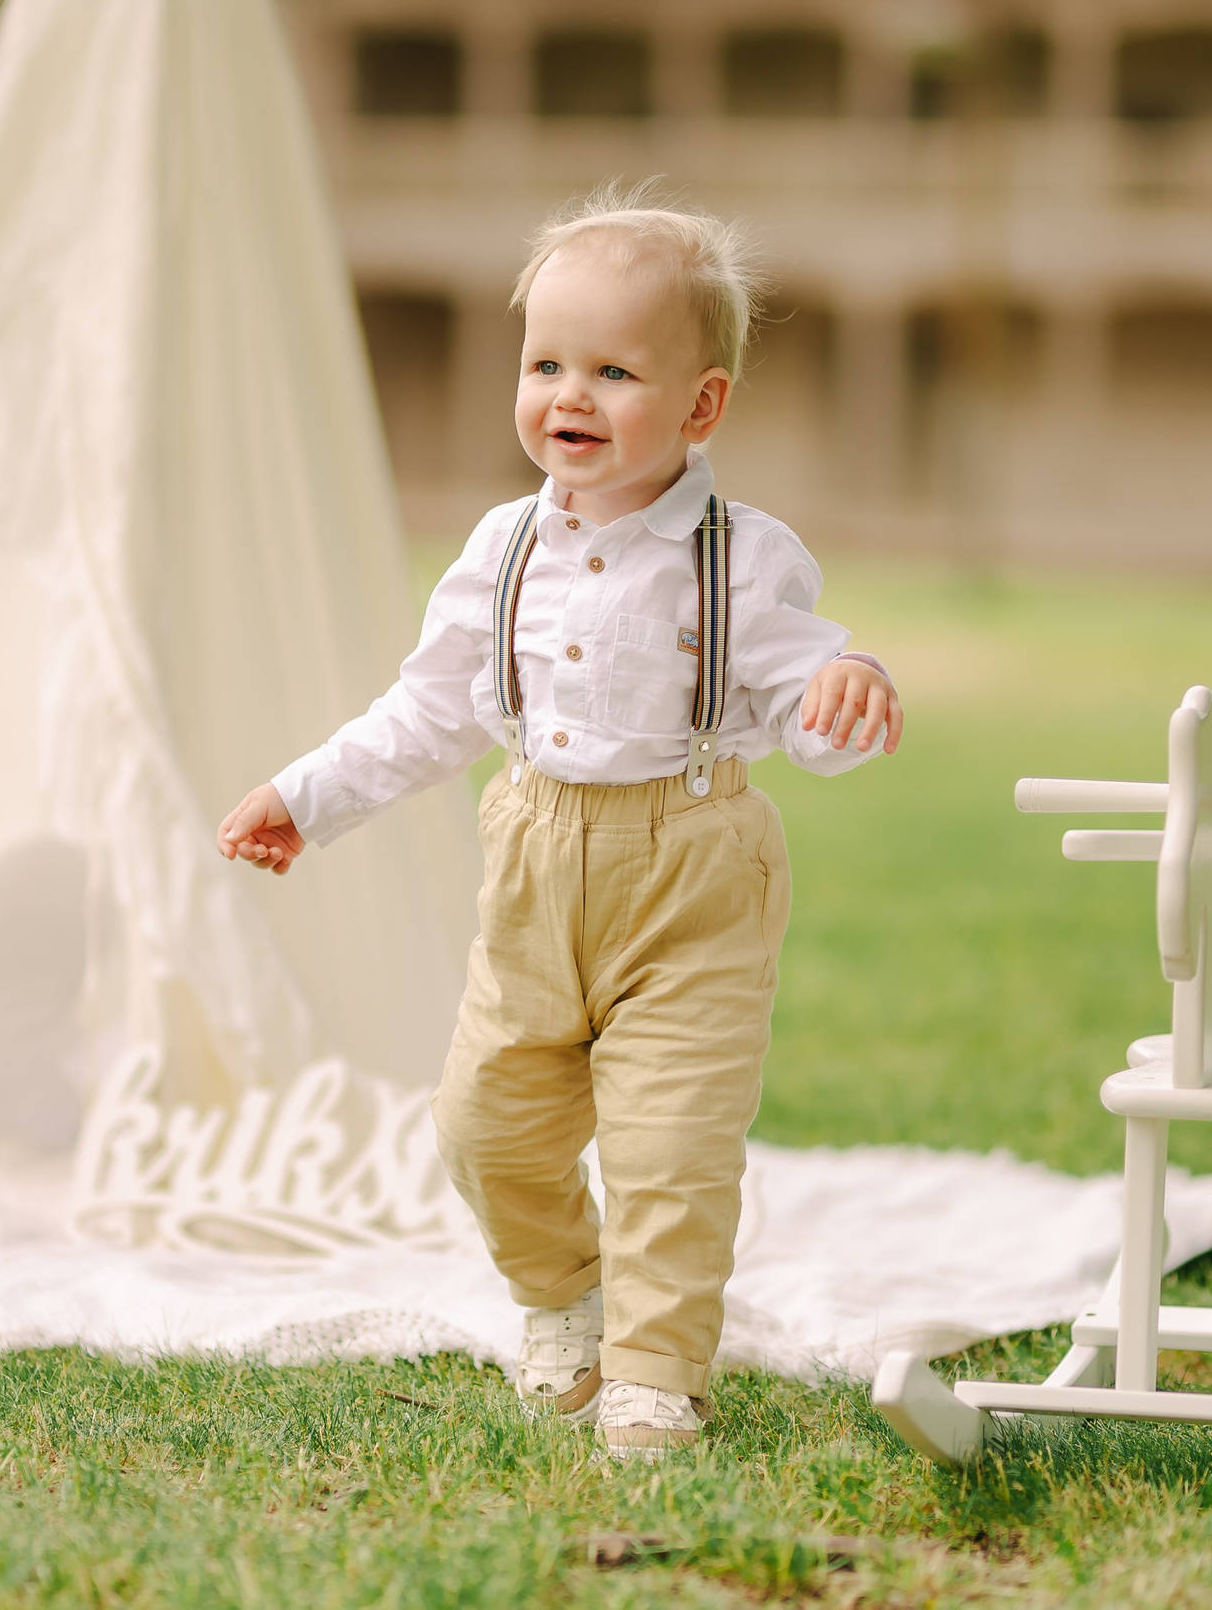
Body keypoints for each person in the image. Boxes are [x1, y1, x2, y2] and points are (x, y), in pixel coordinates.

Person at [215, 184, 901, 1461]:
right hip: (533, 862)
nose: (567, 394)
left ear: (700, 406)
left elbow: (798, 693)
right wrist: (305, 795)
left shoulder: (741, 557)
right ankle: (563, 1295)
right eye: (544, 363)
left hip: (693, 870)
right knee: (484, 1124)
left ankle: (655, 1367)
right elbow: (426, 712)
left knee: (669, 1141)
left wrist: (836, 697)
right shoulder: (500, 549)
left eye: (612, 370)